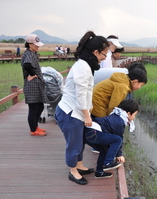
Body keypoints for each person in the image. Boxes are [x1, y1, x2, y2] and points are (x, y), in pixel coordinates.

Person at [54, 31, 109, 185]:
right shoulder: (82, 67)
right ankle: (73, 171)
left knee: (79, 141)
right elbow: (80, 94)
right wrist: (87, 116)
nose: (105, 58)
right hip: (71, 113)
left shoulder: (86, 65)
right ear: (96, 52)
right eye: (104, 54)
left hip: (76, 112)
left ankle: (79, 165)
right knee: (74, 143)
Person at [84, 99, 139, 178]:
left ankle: (99, 172)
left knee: (104, 150)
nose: (134, 117)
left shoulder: (116, 115)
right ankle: (107, 163)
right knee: (117, 139)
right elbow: (118, 138)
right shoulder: (119, 122)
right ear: (129, 113)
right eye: (135, 115)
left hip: (89, 133)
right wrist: (119, 155)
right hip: (94, 133)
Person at [21, 34, 48, 136]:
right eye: (35, 44)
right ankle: (33, 130)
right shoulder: (29, 54)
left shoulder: (32, 53)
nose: (37, 46)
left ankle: (36, 126)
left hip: (36, 85)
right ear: (29, 44)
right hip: (31, 86)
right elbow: (27, 65)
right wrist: (33, 74)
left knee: (40, 106)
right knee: (33, 108)